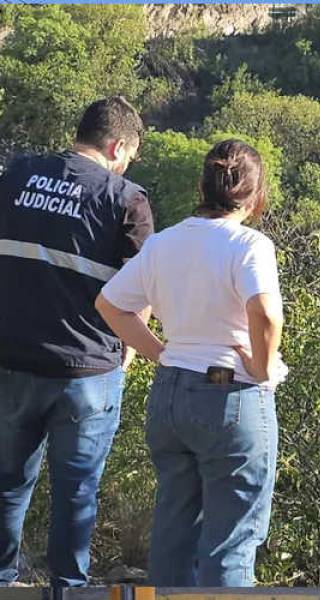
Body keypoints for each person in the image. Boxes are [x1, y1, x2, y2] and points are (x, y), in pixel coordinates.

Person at [95, 139, 285, 587]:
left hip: (171, 393)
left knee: (173, 534)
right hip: (231, 394)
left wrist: (162, 352)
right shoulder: (249, 244)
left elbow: (110, 305)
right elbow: (266, 312)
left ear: (202, 185)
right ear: (256, 197)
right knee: (231, 543)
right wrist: (262, 366)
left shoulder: (163, 243)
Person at [0, 97, 152, 587]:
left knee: (6, 486)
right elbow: (140, 289)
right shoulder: (126, 199)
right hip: (88, 372)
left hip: (11, 361)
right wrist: (128, 356)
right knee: (77, 492)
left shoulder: (17, 175)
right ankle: (69, 590)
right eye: (129, 154)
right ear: (116, 145)